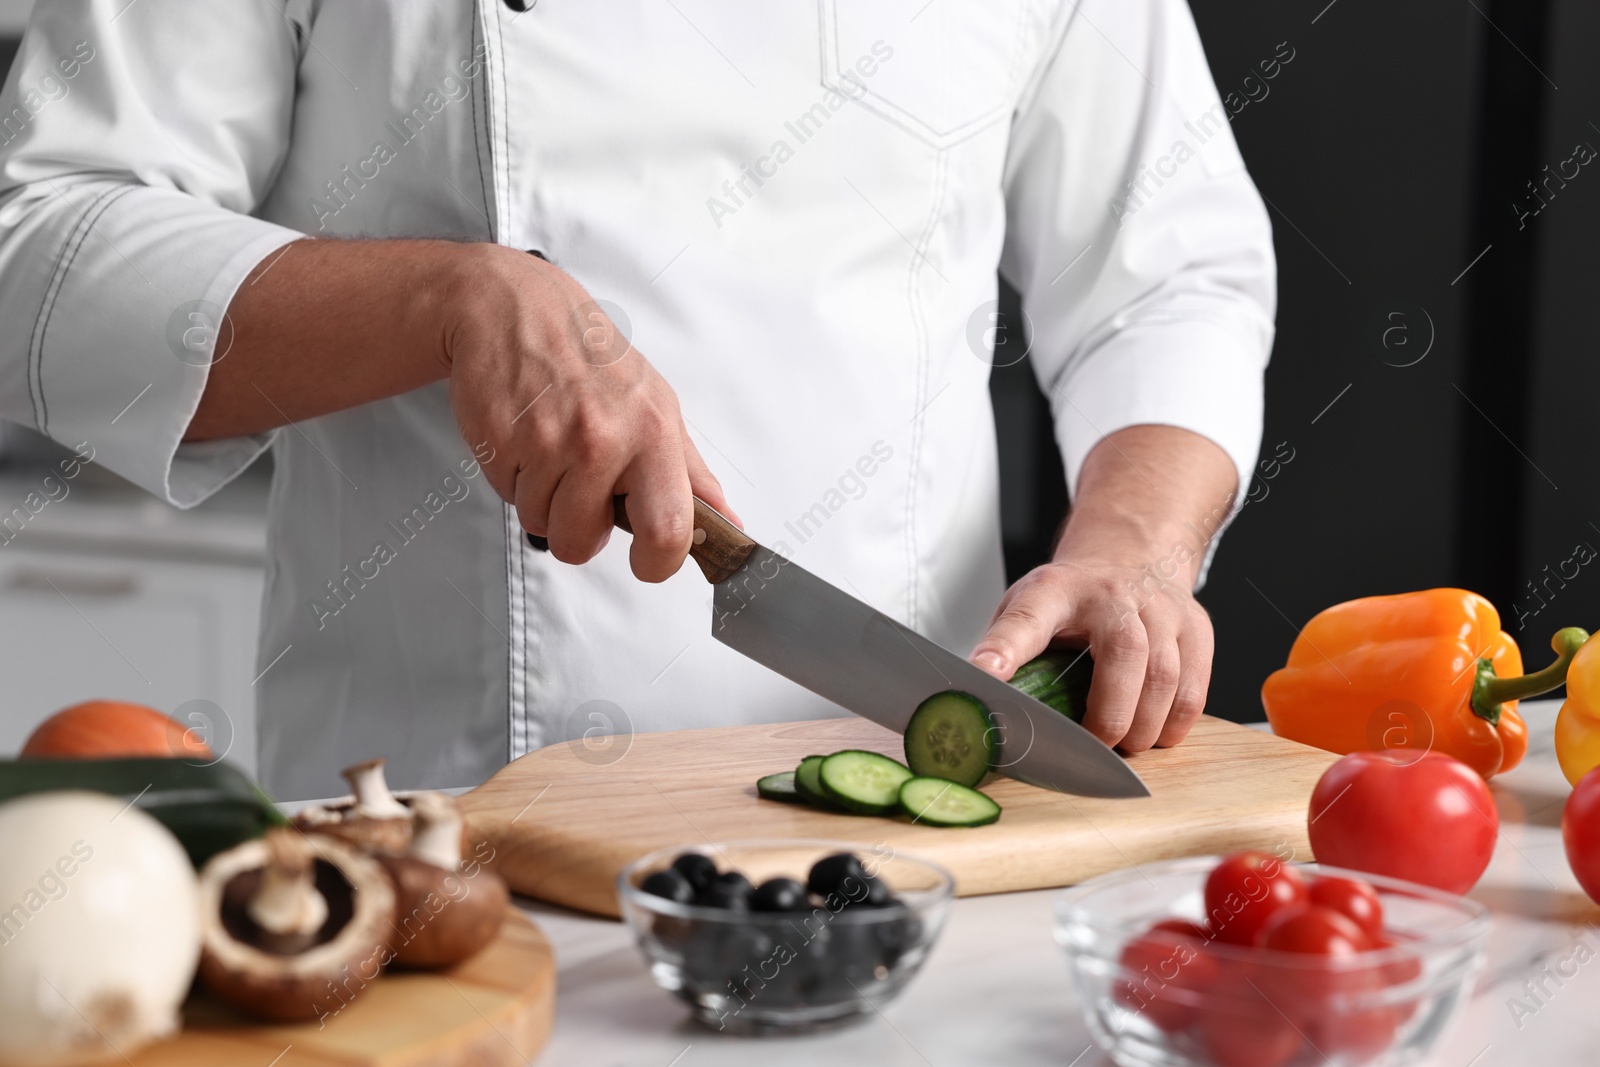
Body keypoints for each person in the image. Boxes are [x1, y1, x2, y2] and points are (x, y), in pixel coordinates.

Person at [0, 0, 1273, 799]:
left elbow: (1166, 278)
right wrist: (453, 300)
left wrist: (1135, 547)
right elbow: (44, 245)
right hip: (430, 833)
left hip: (905, 815)